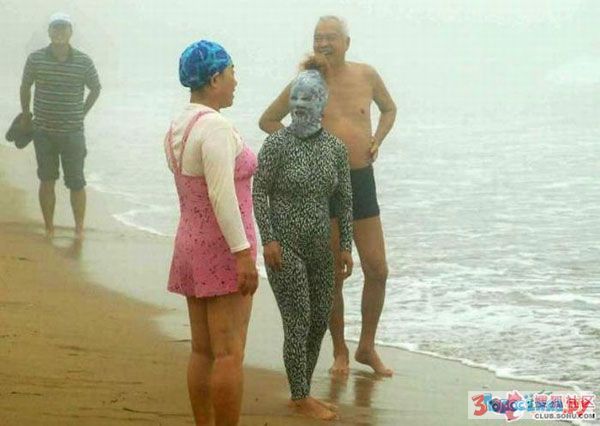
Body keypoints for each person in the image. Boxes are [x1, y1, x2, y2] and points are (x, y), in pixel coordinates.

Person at [259, 15, 397, 377]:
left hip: (361, 180)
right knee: (333, 274)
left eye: (330, 37)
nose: (323, 43)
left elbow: (389, 108)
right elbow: (269, 120)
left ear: (346, 43)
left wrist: (377, 139)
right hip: (325, 186)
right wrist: (302, 148)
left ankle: (367, 346)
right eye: (318, 37)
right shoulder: (307, 83)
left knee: (377, 268)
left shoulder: (367, 75)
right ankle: (340, 351)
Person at [253, 57, 353, 421]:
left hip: (321, 249)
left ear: (322, 102)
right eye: (295, 97)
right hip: (284, 248)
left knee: (319, 320)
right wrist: (268, 239)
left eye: (307, 98)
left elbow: (344, 200)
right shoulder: (277, 144)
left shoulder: (335, 149)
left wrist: (346, 246)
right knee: (298, 320)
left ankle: (304, 391)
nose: (298, 104)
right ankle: (299, 396)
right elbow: (258, 191)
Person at [164, 40, 259, 426]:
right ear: (215, 78)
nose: (236, 81)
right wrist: (242, 253)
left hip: (190, 243)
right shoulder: (215, 127)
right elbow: (222, 196)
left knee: (202, 351)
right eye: (232, 73)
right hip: (222, 249)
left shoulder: (180, 125)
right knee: (228, 353)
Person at [20, 12, 101, 239]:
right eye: (55, 28)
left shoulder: (83, 61)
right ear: (49, 32)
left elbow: (96, 87)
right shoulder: (35, 59)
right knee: (47, 180)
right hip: (43, 131)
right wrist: (26, 115)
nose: (59, 33)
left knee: (76, 182)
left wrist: (82, 112)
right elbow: (25, 86)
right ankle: (49, 228)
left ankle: (79, 229)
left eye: (63, 28)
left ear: (70, 32)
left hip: (73, 133)